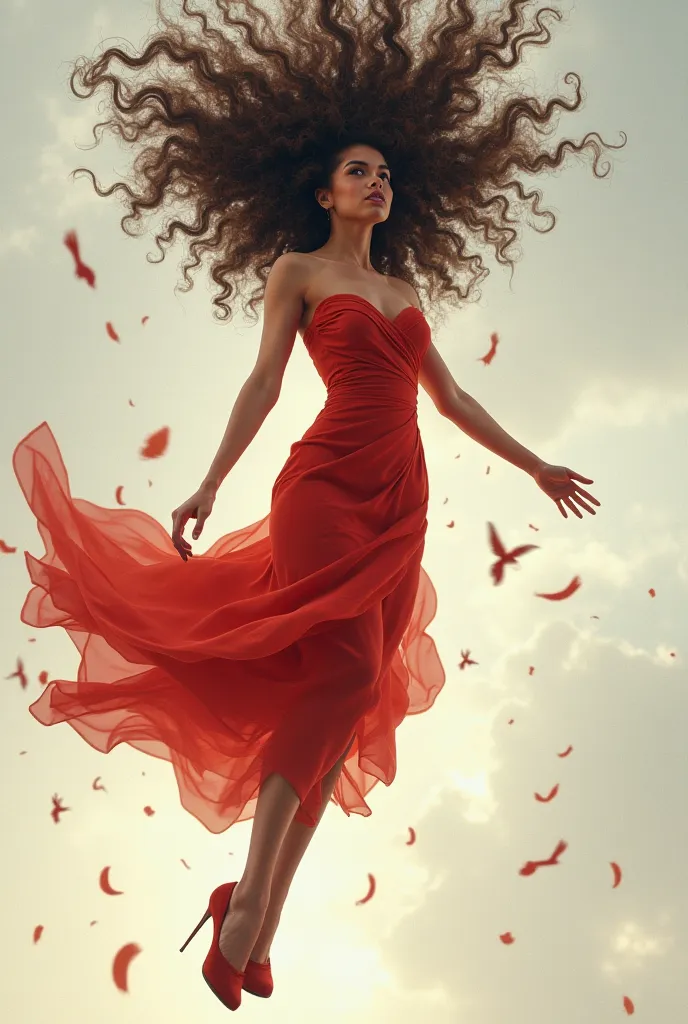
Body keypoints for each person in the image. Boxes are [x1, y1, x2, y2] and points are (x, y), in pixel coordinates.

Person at [12, 0, 621, 1012]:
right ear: (319, 187)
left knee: (344, 710)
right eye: (358, 170)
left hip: (400, 501)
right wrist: (208, 481)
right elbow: (261, 384)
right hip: (324, 487)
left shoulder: (406, 293)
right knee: (338, 669)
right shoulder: (295, 272)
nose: (376, 182)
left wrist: (535, 466)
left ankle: (256, 919)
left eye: (385, 172)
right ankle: (246, 906)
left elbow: (453, 399)